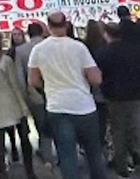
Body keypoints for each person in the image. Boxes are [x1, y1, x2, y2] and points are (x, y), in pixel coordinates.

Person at [27, 11, 106, 179]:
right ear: (66, 25)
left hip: (57, 107)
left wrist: (49, 85)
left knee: (67, 155)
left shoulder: (38, 50)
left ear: (48, 27)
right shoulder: (79, 47)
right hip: (84, 106)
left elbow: (33, 80)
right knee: (94, 153)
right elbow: (95, 78)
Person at [98, 23, 140, 179]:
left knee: (119, 133)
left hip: (115, 99)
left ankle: (122, 168)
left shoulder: (103, 53)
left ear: (106, 34)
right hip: (139, 97)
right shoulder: (136, 50)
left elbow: (100, 78)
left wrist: (106, 94)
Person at [0, 31, 35, 179]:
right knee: (24, 139)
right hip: (12, 104)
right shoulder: (6, 61)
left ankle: (2, 173)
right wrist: (23, 105)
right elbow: (15, 85)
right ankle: (29, 172)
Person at [15, 21, 56, 167]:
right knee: (58, 123)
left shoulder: (21, 51)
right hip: (55, 91)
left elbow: (20, 78)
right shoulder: (52, 46)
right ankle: (59, 154)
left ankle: (46, 156)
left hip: (34, 94)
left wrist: (24, 97)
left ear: (28, 34)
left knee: (41, 125)